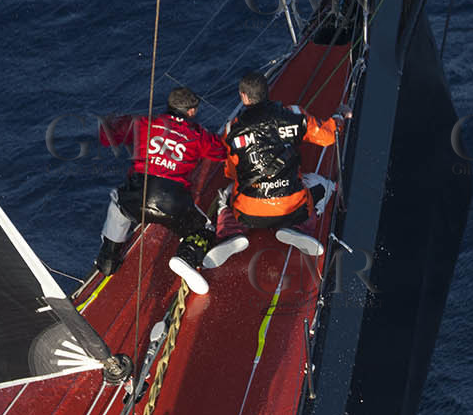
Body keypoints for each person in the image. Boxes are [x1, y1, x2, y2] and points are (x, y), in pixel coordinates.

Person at [202, 71, 342, 271]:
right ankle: (300, 227)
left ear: (243, 96)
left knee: (225, 195)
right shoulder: (294, 114)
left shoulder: (232, 129)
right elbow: (327, 137)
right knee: (326, 186)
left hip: (249, 213)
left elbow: (231, 173)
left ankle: (231, 232)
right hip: (292, 208)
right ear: (267, 91)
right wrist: (340, 117)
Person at [96, 86, 228, 294]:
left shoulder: (143, 123)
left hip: (137, 195)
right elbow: (221, 152)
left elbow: (106, 136)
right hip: (172, 202)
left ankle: (108, 259)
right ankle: (186, 257)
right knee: (204, 229)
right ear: (192, 111)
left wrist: (113, 120)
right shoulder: (198, 135)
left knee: (118, 207)